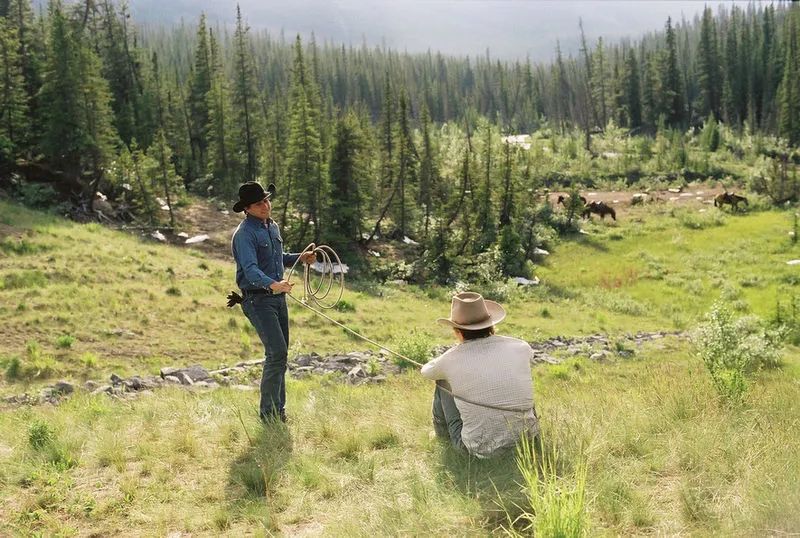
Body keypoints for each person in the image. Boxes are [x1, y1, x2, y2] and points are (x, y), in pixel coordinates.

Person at [231, 181, 315, 423]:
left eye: (266, 200)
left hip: (277, 299)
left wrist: (300, 257)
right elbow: (250, 270)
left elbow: (279, 259)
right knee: (277, 353)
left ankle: (278, 412)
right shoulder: (244, 234)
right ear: (247, 208)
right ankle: (269, 415)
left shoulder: (272, 227)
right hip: (258, 300)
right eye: (259, 203)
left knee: (280, 355)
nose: (266, 205)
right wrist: (273, 284)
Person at [421, 291, 539, 457]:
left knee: (442, 381)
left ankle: (441, 436)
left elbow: (426, 371)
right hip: (527, 440)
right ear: (491, 325)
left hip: (479, 449)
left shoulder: (450, 359)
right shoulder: (520, 347)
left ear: (458, 332)